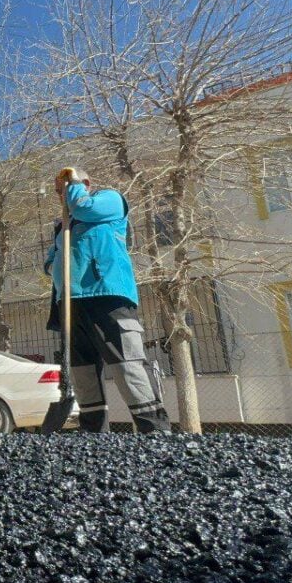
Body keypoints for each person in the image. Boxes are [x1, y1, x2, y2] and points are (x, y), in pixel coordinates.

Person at [44, 167, 171, 433]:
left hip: (106, 296)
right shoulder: (63, 226)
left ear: (84, 183)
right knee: (83, 371)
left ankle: (156, 433)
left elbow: (83, 208)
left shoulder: (110, 200)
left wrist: (74, 183)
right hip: (70, 302)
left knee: (127, 363)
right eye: (59, 190)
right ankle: (94, 435)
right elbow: (49, 260)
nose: (62, 194)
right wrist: (54, 263)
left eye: (65, 187)